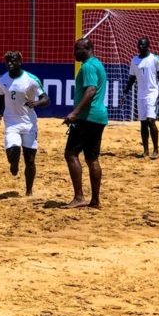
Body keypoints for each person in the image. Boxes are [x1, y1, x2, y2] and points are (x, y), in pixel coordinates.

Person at [0, 51, 51, 196]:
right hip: (11, 122)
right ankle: (13, 164)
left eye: (13, 61)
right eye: (7, 61)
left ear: (20, 62)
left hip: (28, 123)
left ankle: (29, 191)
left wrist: (37, 102)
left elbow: (46, 98)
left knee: (30, 159)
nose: (10, 63)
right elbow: (0, 97)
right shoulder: (1, 80)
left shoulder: (31, 79)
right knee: (13, 150)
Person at [63, 38, 108, 209]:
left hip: (87, 117)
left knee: (70, 154)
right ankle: (95, 200)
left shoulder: (88, 66)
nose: (74, 53)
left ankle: (79, 197)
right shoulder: (97, 64)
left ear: (87, 49)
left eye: (77, 49)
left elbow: (91, 90)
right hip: (98, 117)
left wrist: (75, 113)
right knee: (92, 158)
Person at [122, 37, 159, 159]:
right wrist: (125, 93)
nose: (141, 47)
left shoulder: (155, 58)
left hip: (153, 93)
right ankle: (145, 150)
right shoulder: (134, 60)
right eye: (139, 45)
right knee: (143, 123)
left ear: (148, 46)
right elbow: (131, 79)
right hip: (141, 95)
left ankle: (155, 149)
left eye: (143, 45)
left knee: (151, 121)